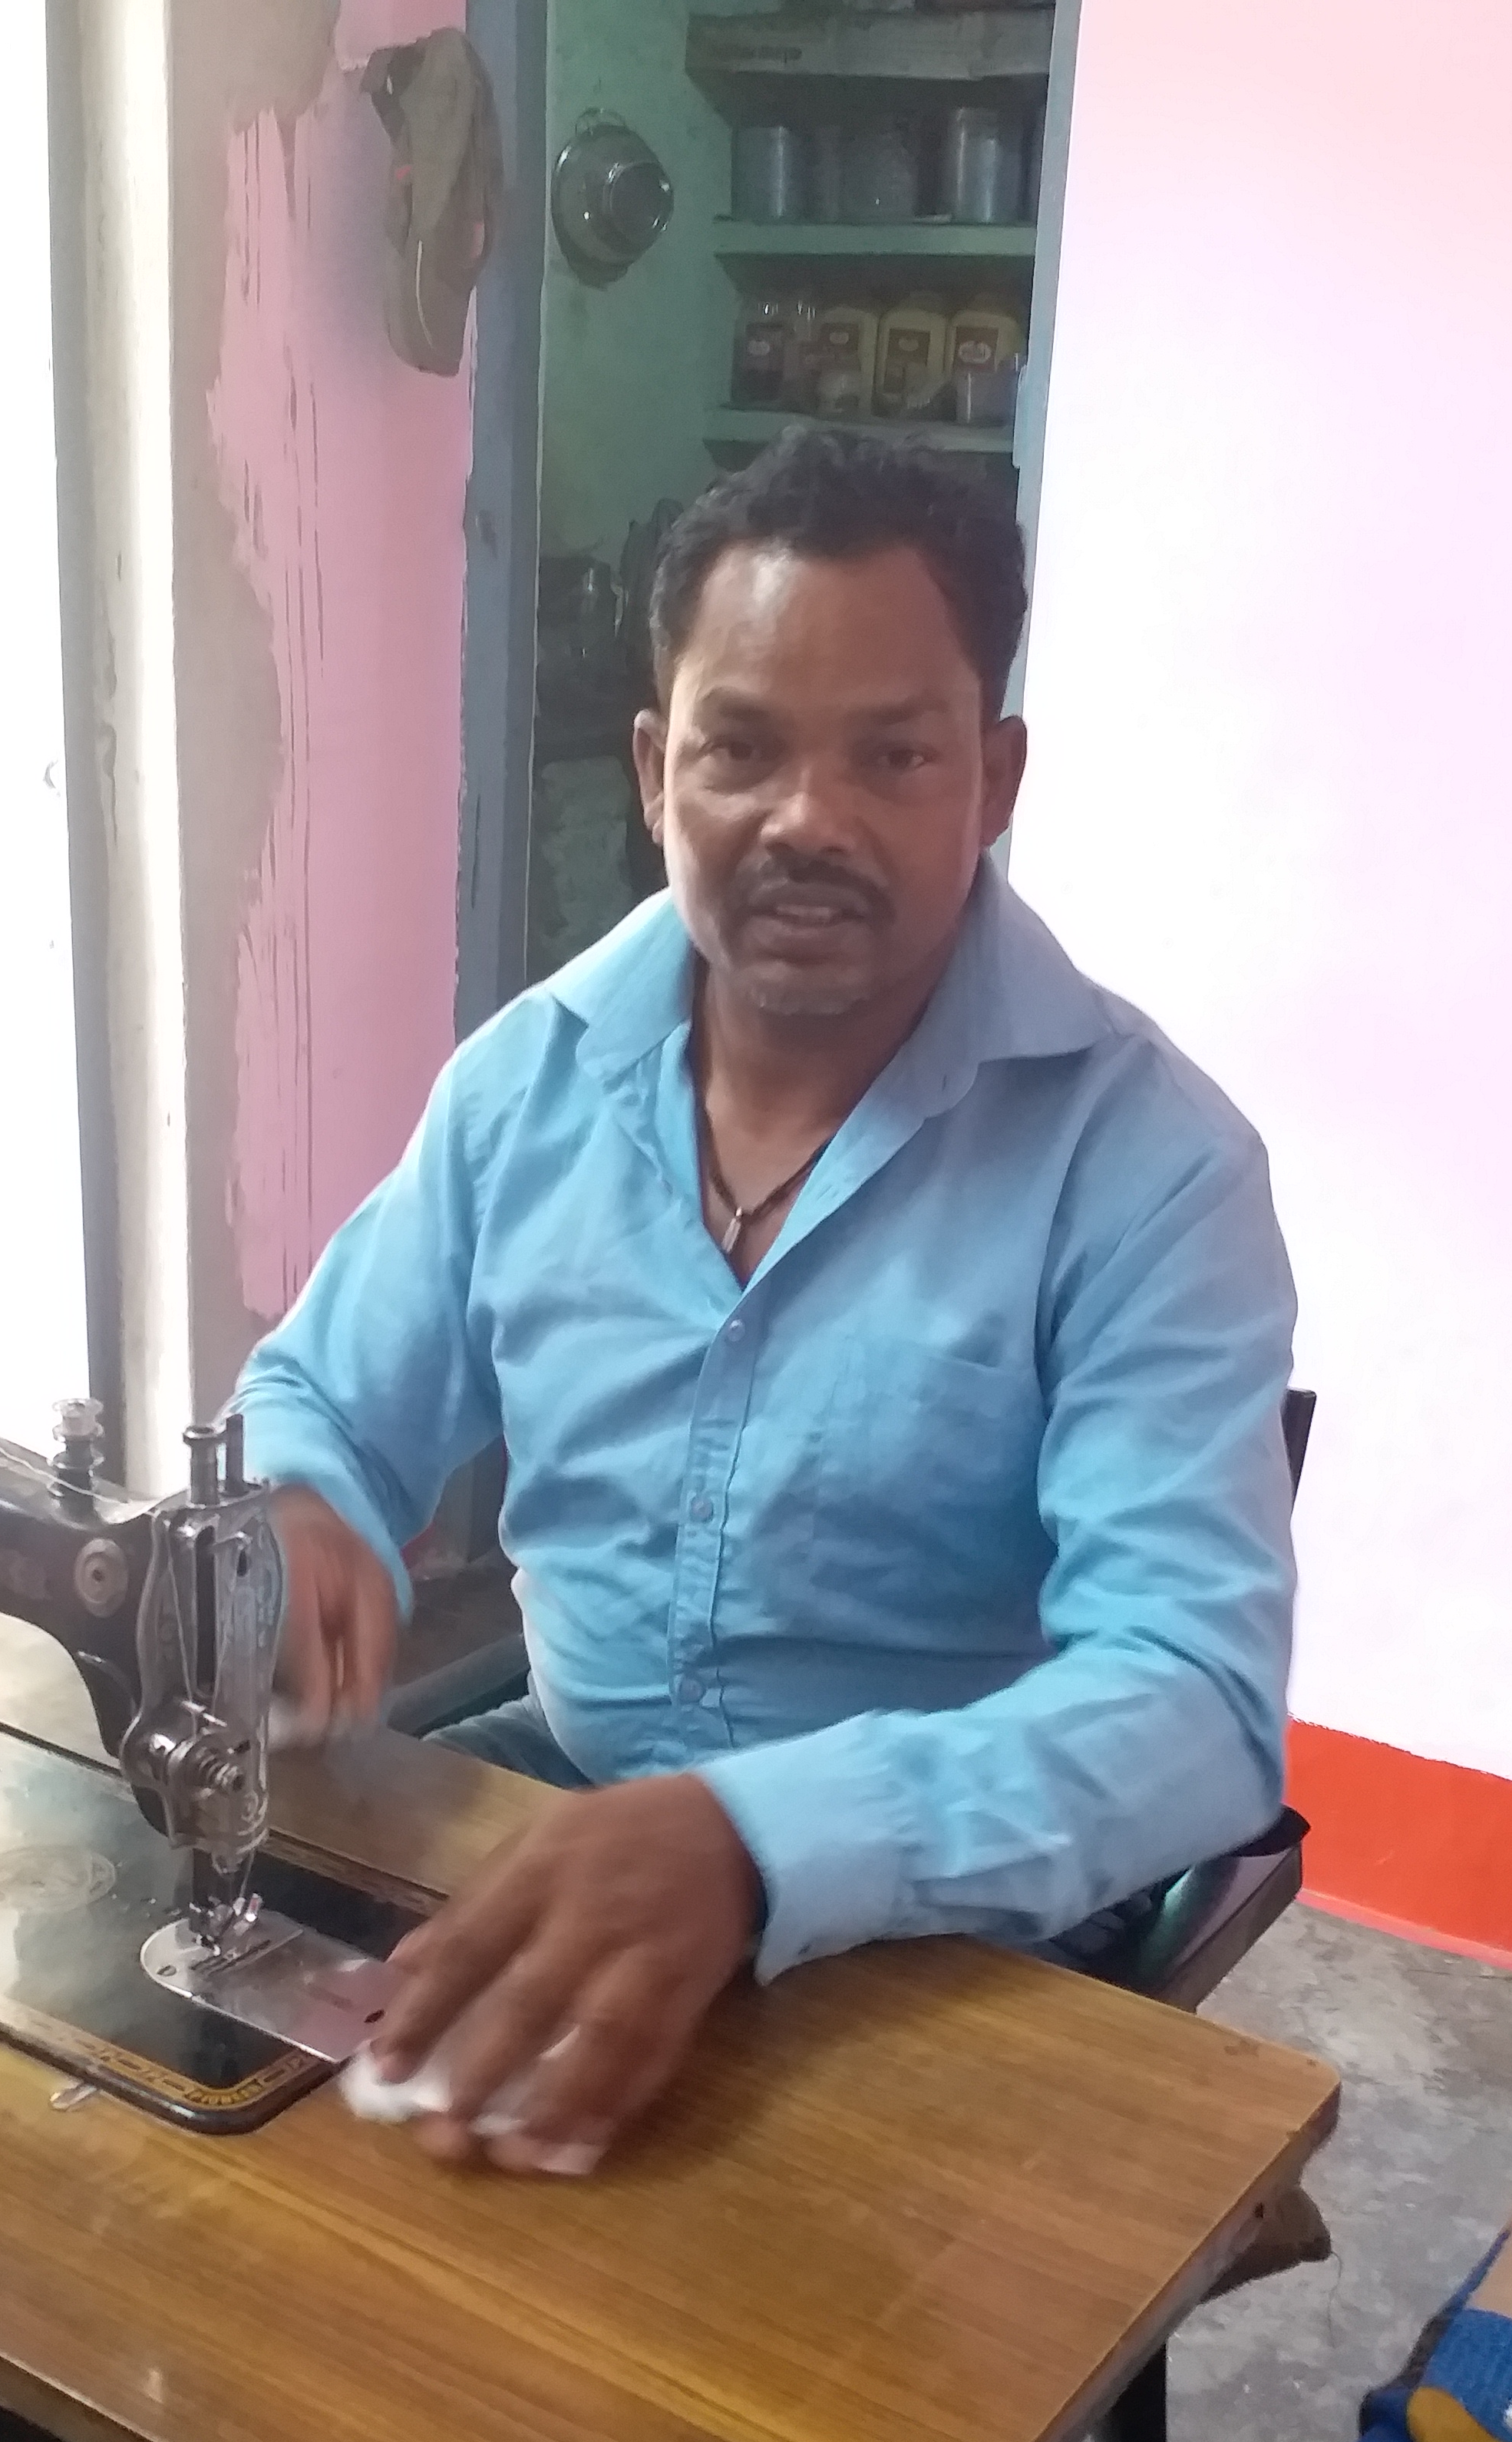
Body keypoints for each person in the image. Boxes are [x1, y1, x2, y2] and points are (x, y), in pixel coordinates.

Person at [236, 422, 1298, 2178]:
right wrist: (306, 1501)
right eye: (742, 747)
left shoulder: (1151, 1169)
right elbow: (329, 1395)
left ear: (999, 774)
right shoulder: (525, 1090)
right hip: (562, 1777)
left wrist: (754, 1840)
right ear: (658, 769)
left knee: (748, 2398)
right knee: (227, 2211)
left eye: (894, 754)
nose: (809, 820)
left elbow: (1195, 1704)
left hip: (953, 1909)